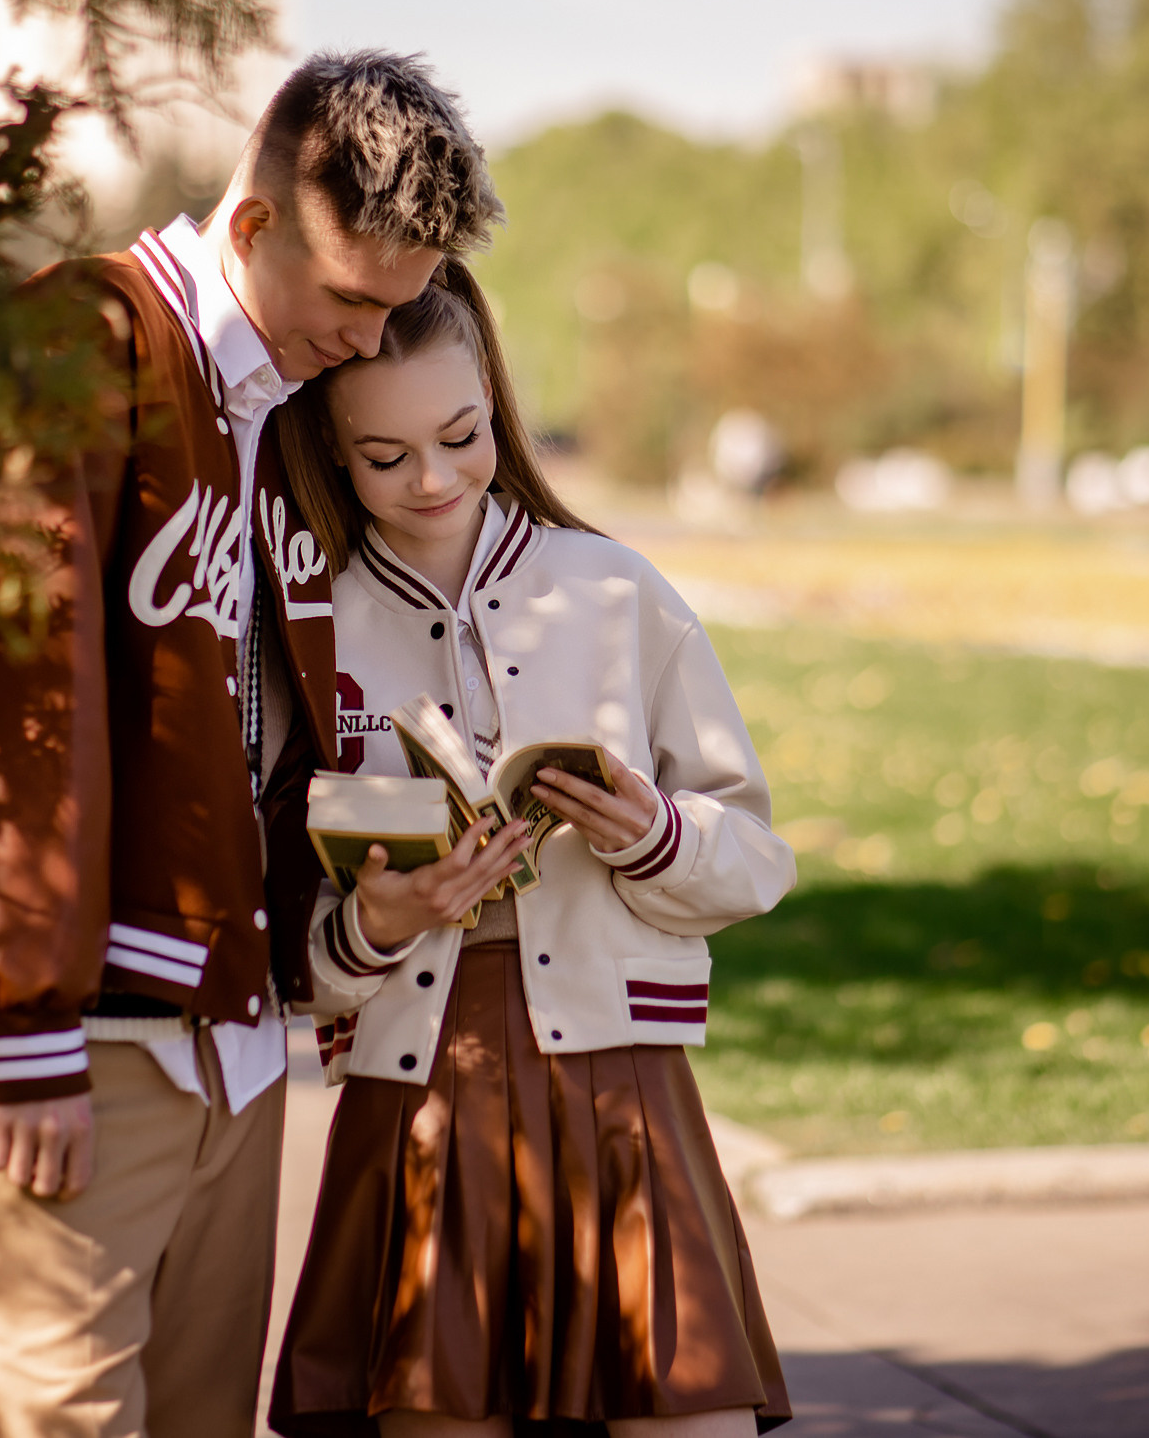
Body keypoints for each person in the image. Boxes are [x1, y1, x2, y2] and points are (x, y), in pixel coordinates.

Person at [0, 53, 510, 1437]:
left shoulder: (287, 405)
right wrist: (22, 1029)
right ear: (252, 226)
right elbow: (0, 699)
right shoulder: (72, 348)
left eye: (398, 307)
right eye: (354, 300)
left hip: (229, 1022)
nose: (370, 342)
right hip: (73, 1023)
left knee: (201, 1421)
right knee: (69, 1416)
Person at [269, 262, 799, 1436]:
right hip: (414, 1089)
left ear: (497, 411)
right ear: (330, 450)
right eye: (384, 456)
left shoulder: (616, 591)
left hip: (621, 1082)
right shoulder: (307, 623)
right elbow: (274, 940)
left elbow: (756, 856)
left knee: (683, 1409)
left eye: (460, 436)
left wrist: (653, 835)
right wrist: (375, 923)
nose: (434, 477)